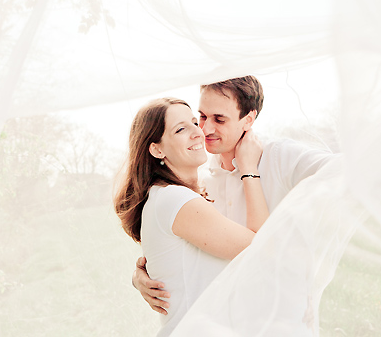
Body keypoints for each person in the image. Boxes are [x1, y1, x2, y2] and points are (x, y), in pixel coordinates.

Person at [132, 76, 334, 316]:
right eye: (203, 117)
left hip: (282, 314)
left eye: (218, 119)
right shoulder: (198, 185)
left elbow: (344, 172)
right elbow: (188, 255)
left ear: (248, 119)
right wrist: (144, 273)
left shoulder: (280, 157)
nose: (204, 130)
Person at [114, 97, 270, 336]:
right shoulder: (174, 199)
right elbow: (261, 248)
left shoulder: (170, 197)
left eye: (194, 123)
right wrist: (249, 170)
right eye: (180, 129)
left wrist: (138, 277)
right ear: (156, 149)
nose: (198, 132)